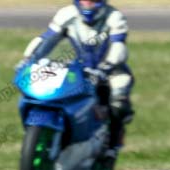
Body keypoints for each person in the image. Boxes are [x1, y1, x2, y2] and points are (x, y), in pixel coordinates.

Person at [17, 1, 134, 158]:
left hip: (111, 69)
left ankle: (111, 147)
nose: (88, 3)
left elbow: (118, 46)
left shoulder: (114, 17)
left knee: (118, 100)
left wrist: (107, 66)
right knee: (56, 91)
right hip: (81, 67)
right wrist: (29, 59)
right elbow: (48, 39)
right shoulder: (67, 14)